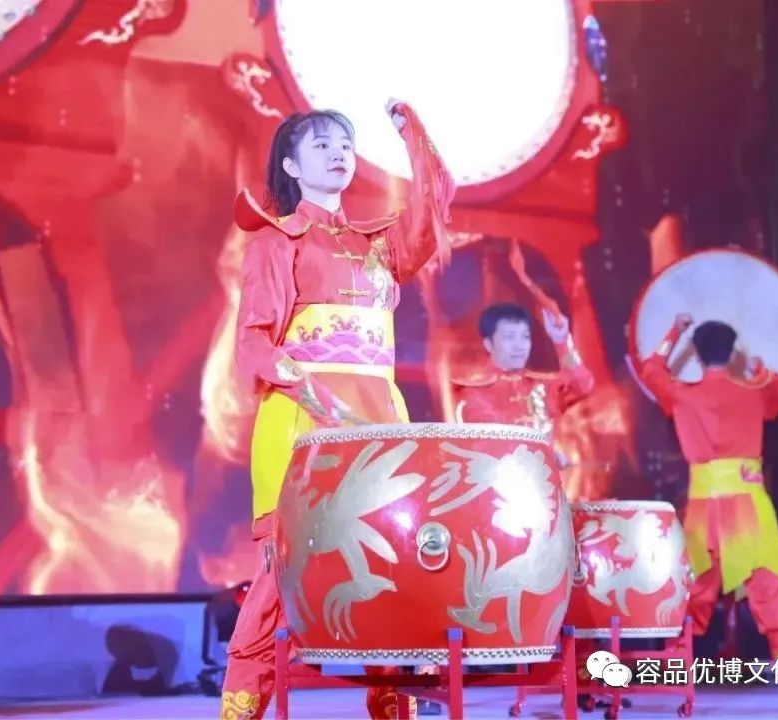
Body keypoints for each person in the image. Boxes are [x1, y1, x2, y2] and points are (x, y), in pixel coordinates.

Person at [219, 99, 454, 720]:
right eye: (321, 145)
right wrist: (315, 396)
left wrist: (413, 134)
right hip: (304, 424)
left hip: (377, 424)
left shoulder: (378, 245)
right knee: (282, 572)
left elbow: (434, 210)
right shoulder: (277, 242)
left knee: (392, 560)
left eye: (345, 144)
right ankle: (241, 707)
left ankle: (394, 699)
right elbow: (253, 343)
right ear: (292, 166)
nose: (338, 154)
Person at [638, 314, 778, 682]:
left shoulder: (683, 395)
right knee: (767, 583)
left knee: (694, 589)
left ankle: (675, 668)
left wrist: (675, 331)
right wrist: (759, 369)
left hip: (703, 508)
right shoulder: (754, 391)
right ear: (731, 354)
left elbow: (650, 369)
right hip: (747, 504)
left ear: (697, 356)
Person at [453, 302, 594, 450]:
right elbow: (490, 443)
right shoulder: (474, 393)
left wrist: (562, 342)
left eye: (525, 337)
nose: (519, 346)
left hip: (544, 464)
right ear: (489, 344)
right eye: (509, 337)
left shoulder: (540, 385)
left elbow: (582, 385)